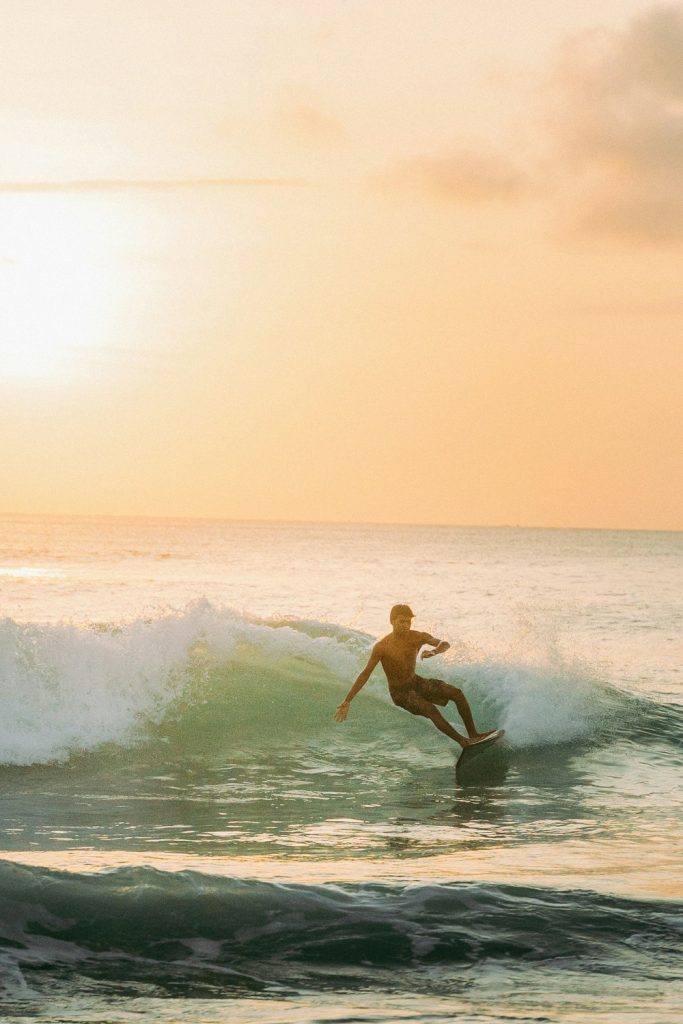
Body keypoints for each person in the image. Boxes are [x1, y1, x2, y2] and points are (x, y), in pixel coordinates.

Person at [334, 604, 494, 748]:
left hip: (416, 682)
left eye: (408, 622)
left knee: (456, 693)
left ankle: (473, 734)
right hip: (400, 693)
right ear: (392, 621)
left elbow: (444, 644)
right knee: (430, 710)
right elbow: (365, 674)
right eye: (401, 621)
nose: (405, 625)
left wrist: (434, 651)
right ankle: (463, 742)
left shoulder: (417, 636)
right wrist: (347, 700)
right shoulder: (382, 647)